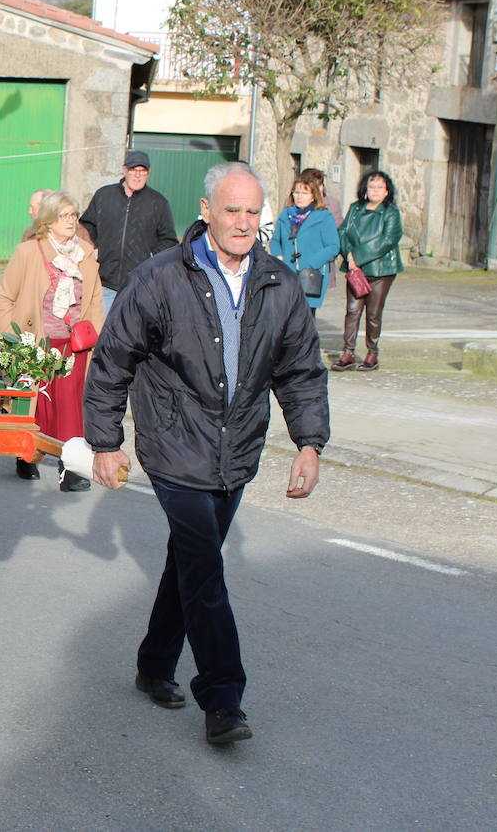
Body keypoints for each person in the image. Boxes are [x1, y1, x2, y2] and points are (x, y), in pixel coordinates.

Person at [84, 161, 328, 746]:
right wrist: (106, 442)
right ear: (206, 211)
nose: (242, 222)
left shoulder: (280, 282)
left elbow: (300, 371)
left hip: (237, 449)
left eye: (252, 211)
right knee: (206, 569)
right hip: (173, 443)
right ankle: (223, 698)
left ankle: (152, 664)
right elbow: (113, 360)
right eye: (231, 210)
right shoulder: (159, 277)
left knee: (190, 565)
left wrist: (309, 443)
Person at [0, 191, 104, 490]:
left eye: (73, 215)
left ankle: (71, 470)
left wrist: (95, 334)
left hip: (74, 346)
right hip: (37, 344)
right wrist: (13, 338)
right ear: (48, 221)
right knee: (36, 405)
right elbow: (4, 297)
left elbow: (94, 300)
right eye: (64, 216)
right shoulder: (29, 252)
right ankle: (26, 454)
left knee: (71, 409)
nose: (71, 221)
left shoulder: (86, 253)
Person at [78, 149, 178, 313]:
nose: (138, 175)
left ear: (149, 173)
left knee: (133, 336)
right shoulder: (104, 195)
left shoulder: (158, 203)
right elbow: (86, 225)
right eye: (133, 169)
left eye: (142, 170)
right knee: (101, 333)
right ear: (124, 170)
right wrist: (93, 247)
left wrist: (150, 261)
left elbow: (169, 241)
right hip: (104, 283)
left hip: (139, 285)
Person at [331, 171, 404, 373]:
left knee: (373, 313)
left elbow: (388, 239)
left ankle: (372, 352)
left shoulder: (391, 212)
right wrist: (348, 255)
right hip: (355, 268)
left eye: (379, 187)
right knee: (352, 311)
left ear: (387, 191)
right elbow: (343, 232)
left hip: (381, 270)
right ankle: (348, 352)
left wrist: (358, 257)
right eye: (372, 187)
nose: (375, 191)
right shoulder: (356, 208)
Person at [268, 174, 340, 317]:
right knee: (284, 317)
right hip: (287, 273)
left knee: (304, 319)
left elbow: (333, 246)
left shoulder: (324, 217)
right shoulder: (285, 216)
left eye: (304, 192)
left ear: (313, 196)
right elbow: (275, 240)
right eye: (297, 192)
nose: (299, 196)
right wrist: (278, 256)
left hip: (311, 275)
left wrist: (311, 262)